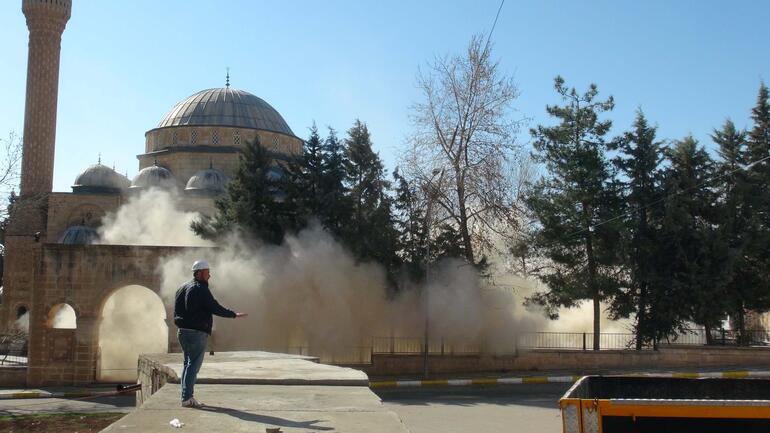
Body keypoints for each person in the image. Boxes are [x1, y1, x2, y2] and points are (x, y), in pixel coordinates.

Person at [173, 260, 247, 408]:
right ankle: (187, 398)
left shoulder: (182, 287)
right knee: (193, 366)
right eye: (207, 272)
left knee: (188, 364)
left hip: (182, 332)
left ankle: (185, 396)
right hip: (196, 333)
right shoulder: (200, 289)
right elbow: (214, 307)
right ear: (199, 273)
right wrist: (233, 314)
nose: (209, 275)